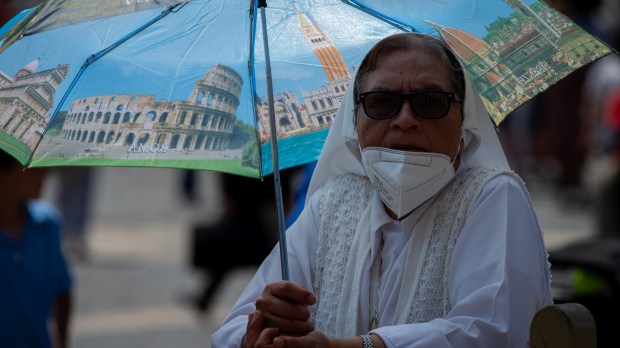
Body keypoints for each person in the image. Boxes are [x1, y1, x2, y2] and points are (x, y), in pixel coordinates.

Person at [212, 33, 551, 347]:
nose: (405, 119)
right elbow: (230, 331)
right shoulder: (332, 205)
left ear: (463, 124)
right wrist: (261, 331)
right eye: (381, 102)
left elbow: (493, 330)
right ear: (354, 121)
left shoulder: (491, 196)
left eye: (430, 101)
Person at [0, 151, 73, 348]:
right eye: (33, 168)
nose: (46, 173)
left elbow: (63, 289)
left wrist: (62, 340)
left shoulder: (47, 223)